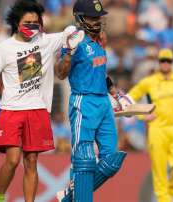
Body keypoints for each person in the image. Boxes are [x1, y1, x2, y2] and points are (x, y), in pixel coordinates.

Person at [0, 1, 80, 202]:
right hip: (11, 109)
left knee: (32, 161)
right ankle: (0, 196)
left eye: (36, 22)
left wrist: (72, 32)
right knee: (12, 160)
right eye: (27, 22)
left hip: (37, 109)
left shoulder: (45, 41)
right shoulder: (4, 48)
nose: (32, 26)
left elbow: (70, 32)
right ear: (16, 23)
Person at [56, 0, 127, 201]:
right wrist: (69, 53)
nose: (97, 21)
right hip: (83, 102)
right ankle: (77, 196)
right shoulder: (74, 41)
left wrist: (115, 93)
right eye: (92, 17)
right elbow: (60, 73)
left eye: (98, 17)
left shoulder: (100, 40)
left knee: (112, 161)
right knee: (84, 159)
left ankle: (69, 196)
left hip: (103, 103)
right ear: (80, 18)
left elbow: (100, 72)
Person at [125, 49, 173, 202]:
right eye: (162, 61)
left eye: (168, 61)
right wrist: (142, 115)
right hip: (156, 129)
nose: (165, 64)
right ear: (158, 62)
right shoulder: (149, 82)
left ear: (172, 63)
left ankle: (172, 194)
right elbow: (128, 99)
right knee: (159, 170)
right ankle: (164, 200)